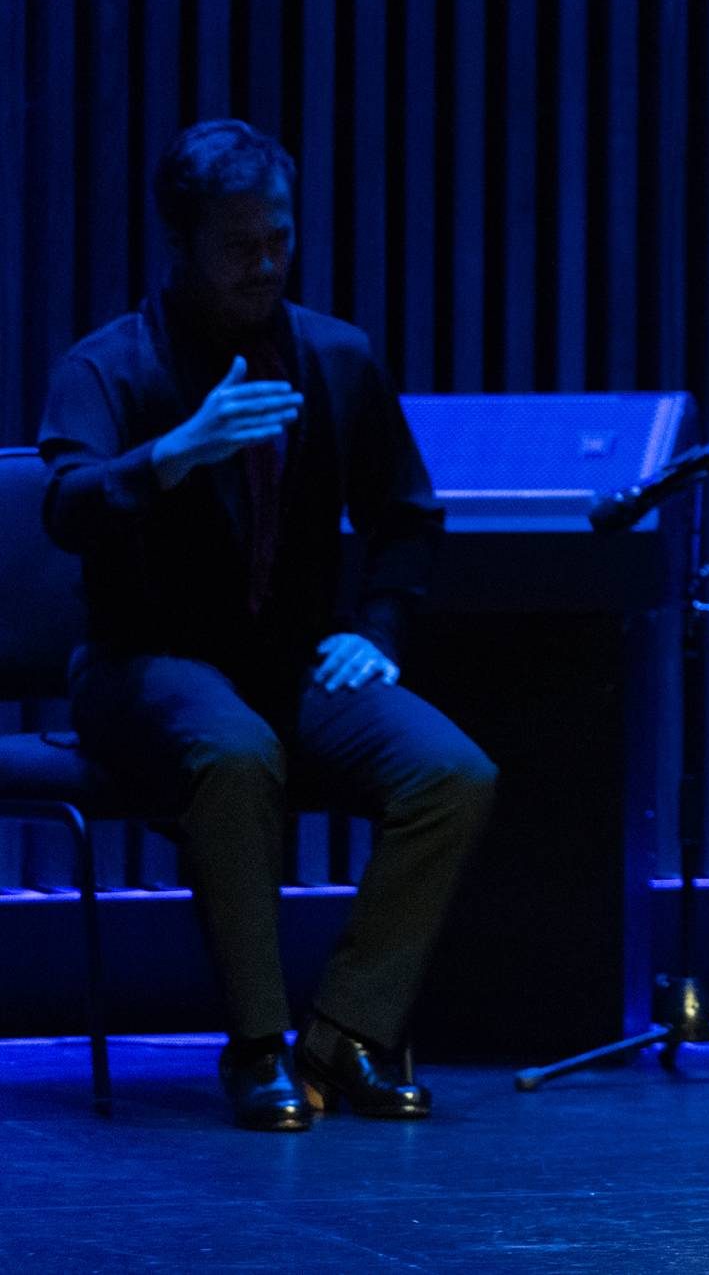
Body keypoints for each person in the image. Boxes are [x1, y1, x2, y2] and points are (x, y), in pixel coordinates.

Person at [40, 121, 496, 1131]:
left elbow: (407, 513)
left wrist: (374, 628)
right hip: (142, 664)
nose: (264, 263)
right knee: (238, 751)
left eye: (278, 239)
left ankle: (345, 1034)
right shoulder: (110, 366)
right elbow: (66, 505)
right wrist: (174, 452)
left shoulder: (334, 356)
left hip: (287, 663)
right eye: (240, 244)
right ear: (183, 245)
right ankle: (255, 1048)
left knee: (450, 772)